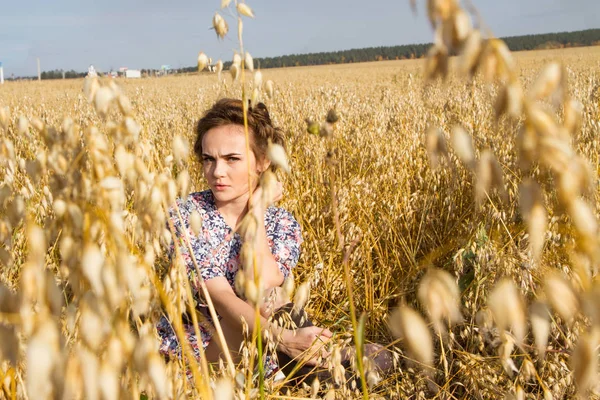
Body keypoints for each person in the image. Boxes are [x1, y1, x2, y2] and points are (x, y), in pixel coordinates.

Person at [156, 98, 334, 379]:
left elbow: (261, 284)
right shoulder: (186, 214)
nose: (217, 172)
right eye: (209, 159)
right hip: (204, 354)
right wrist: (284, 339)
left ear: (263, 161)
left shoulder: (282, 223)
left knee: (272, 301)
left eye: (232, 159)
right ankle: (332, 368)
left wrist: (257, 213)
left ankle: (334, 367)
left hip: (265, 342)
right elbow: (221, 298)